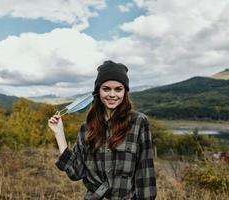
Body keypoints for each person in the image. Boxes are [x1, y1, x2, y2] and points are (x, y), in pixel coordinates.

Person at [48, 60, 157, 200]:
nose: (112, 94)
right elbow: (76, 173)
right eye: (106, 89)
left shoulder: (138, 122)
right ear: (98, 91)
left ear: (125, 91)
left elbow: (145, 172)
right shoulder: (86, 128)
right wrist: (59, 133)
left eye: (118, 89)